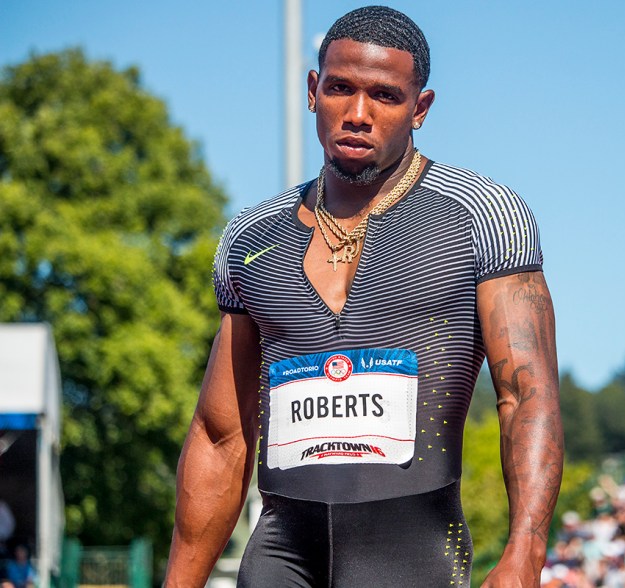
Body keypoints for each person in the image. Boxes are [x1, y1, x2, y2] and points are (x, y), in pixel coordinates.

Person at [165, 6, 563, 587]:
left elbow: (527, 394)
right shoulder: (252, 237)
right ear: (312, 91)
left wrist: (524, 555)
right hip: (280, 554)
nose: (357, 114)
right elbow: (220, 433)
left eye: (385, 96)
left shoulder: (482, 216)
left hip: (412, 552)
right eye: (340, 88)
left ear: (420, 109)